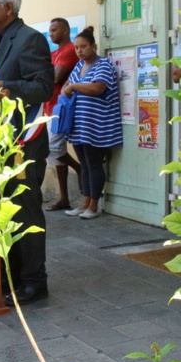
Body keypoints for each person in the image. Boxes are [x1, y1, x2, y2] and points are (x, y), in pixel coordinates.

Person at [0, 0, 53, 306]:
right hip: (1, 141)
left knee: (26, 211)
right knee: (5, 211)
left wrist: (2, 86)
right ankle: (12, 277)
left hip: (25, 141)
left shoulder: (30, 39)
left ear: (9, 8)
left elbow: (43, 87)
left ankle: (35, 282)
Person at [61, 27, 122, 219]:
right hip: (79, 125)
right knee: (84, 164)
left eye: (83, 47)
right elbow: (65, 88)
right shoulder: (79, 66)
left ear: (93, 46)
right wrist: (70, 87)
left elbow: (97, 88)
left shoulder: (103, 64)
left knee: (94, 163)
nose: (79, 50)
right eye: (77, 47)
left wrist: (73, 87)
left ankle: (94, 205)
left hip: (97, 125)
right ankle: (84, 203)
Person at [44, 17, 82, 211]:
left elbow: (55, 77)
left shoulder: (68, 50)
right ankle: (64, 198)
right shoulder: (54, 52)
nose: (51, 34)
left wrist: (44, 76)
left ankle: (78, 168)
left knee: (52, 148)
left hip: (62, 107)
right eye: (50, 31)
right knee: (56, 156)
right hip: (50, 106)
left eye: (55, 30)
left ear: (65, 30)